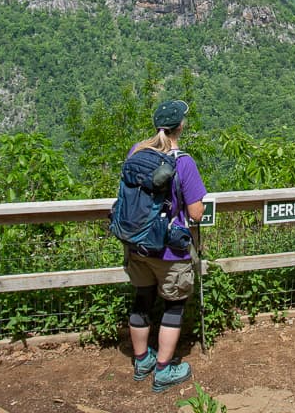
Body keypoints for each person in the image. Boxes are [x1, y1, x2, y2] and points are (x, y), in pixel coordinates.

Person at [124, 99, 207, 392]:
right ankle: (163, 370)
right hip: (170, 250)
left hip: (137, 245)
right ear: (180, 127)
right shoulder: (183, 161)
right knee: (174, 305)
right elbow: (196, 213)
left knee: (142, 300)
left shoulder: (137, 151)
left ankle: (141, 360)